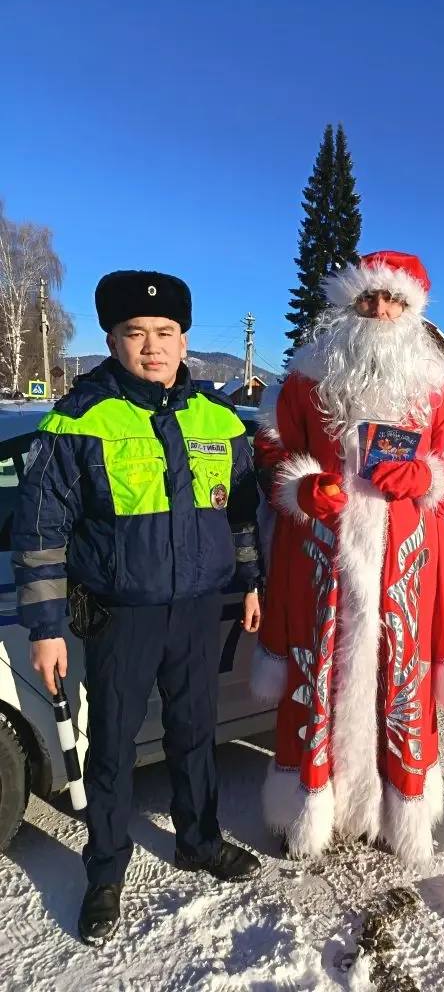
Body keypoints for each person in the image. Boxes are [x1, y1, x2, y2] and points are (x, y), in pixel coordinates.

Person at [12, 271, 263, 946]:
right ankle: (105, 869)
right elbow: (40, 533)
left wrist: (252, 583)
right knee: (113, 745)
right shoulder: (79, 419)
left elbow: (241, 511)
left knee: (194, 732)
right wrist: (46, 627)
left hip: (198, 608)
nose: (152, 347)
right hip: (121, 614)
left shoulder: (220, 418)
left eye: (165, 333)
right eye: (135, 334)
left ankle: (199, 839)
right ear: (112, 339)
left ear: (183, 339)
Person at [252, 251, 444, 866]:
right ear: (347, 305)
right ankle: (307, 806)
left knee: (401, 681)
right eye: (369, 299)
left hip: (405, 565)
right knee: (317, 673)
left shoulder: (436, 393)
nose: (381, 312)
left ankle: (397, 810)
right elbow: (270, 457)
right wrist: (301, 487)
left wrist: (428, 477)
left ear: (413, 313)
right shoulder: (303, 382)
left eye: (395, 301)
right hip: (322, 558)